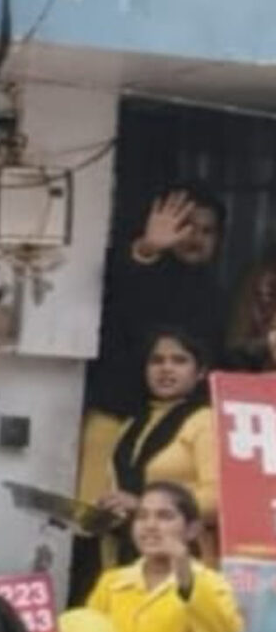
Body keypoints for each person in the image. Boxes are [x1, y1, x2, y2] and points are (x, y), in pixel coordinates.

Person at [76, 328, 220, 576]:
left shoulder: (206, 421)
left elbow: (218, 499)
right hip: (128, 556)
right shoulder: (135, 423)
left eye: (179, 360)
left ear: (200, 372)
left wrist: (142, 505)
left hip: (184, 563)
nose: (166, 368)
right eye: (157, 361)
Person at [85, 482, 244, 632]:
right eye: (142, 516)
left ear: (192, 530)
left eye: (165, 516)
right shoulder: (112, 582)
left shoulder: (211, 582)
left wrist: (185, 577)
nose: (150, 526)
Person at [89, 186, 227, 420]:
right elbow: (115, 279)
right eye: (187, 227)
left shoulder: (216, 294)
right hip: (116, 412)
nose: (196, 238)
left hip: (182, 419)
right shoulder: (144, 272)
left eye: (207, 231)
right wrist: (148, 247)